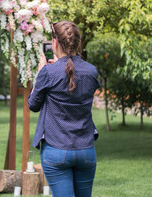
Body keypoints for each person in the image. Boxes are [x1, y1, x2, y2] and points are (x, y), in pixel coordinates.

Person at [28, 21, 100, 197]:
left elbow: (33, 105)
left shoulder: (48, 72)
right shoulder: (91, 71)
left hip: (56, 150)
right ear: (78, 43)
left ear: (54, 43)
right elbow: (72, 78)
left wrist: (42, 73)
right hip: (86, 151)